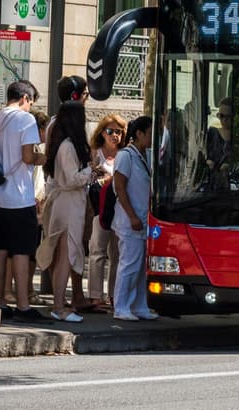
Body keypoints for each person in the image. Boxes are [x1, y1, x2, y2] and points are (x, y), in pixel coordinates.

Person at [0, 80, 46, 323]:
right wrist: (45, 157)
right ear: (24, 98)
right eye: (31, 101)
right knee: (22, 250)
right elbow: (27, 156)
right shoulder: (25, 119)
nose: (31, 107)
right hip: (19, 195)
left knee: (0, 249)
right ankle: (23, 305)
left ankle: (0, 301)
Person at [39, 101, 92, 323]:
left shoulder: (60, 144)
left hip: (64, 202)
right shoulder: (68, 146)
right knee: (65, 256)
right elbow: (71, 180)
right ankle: (59, 306)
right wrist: (90, 171)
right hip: (69, 203)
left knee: (63, 255)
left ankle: (59, 304)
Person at [112, 116, 159, 321]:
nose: (152, 137)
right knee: (129, 264)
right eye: (149, 133)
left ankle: (139, 305)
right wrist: (131, 215)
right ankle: (121, 306)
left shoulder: (145, 155)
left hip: (143, 218)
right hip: (129, 219)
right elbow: (120, 187)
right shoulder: (126, 156)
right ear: (139, 133)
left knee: (141, 267)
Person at [87, 114, 126, 310]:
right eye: (110, 131)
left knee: (117, 255)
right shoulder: (95, 153)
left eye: (119, 132)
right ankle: (95, 296)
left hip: (120, 209)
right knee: (97, 252)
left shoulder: (125, 154)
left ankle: (114, 295)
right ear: (102, 132)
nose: (114, 135)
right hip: (100, 209)